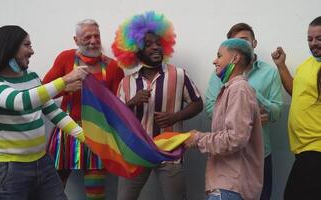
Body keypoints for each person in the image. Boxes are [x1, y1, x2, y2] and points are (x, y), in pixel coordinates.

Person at [0, 25, 88, 200]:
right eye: (27, 45)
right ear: (10, 48)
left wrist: (85, 137)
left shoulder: (32, 77)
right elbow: (20, 101)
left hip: (42, 162)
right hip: (8, 169)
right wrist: (66, 79)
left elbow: (54, 112)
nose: (32, 51)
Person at [112, 11, 203, 200]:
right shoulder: (126, 83)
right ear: (135, 50)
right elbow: (116, 118)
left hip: (170, 151)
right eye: (148, 44)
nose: (156, 48)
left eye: (158, 44)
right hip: (136, 152)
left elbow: (198, 103)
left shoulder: (178, 75)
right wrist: (132, 102)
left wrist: (175, 117)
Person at [43, 19, 124, 200]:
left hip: (97, 133)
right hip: (66, 130)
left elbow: (118, 105)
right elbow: (42, 91)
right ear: (76, 39)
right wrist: (65, 88)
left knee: (95, 192)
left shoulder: (113, 67)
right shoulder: (65, 58)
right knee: (53, 187)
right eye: (88, 37)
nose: (94, 41)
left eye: (97, 36)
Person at [205, 23, 283, 200]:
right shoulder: (219, 74)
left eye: (244, 40)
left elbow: (277, 112)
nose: (241, 45)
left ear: (254, 43)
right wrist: (246, 116)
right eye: (234, 41)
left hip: (260, 154)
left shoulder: (269, 72)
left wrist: (256, 98)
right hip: (228, 156)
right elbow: (210, 108)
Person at [186, 38, 264, 200]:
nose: (215, 61)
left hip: (231, 186)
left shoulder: (239, 89)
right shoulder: (232, 89)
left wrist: (198, 138)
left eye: (219, 56)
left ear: (235, 58)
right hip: (226, 186)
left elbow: (235, 138)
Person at [271, 16, 321, 199]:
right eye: (310, 39)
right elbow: (295, 90)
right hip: (303, 148)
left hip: (316, 149)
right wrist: (281, 66)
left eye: (319, 38)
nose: (313, 43)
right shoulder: (307, 65)